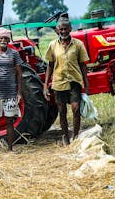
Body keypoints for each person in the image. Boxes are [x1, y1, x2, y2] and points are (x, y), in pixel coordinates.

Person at [43, 14, 89, 145]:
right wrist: (46, 84)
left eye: (65, 29)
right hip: (59, 82)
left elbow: (83, 65)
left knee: (75, 108)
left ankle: (75, 136)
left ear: (70, 29)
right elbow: (50, 65)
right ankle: (65, 137)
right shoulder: (52, 45)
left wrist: (86, 83)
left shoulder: (78, 44)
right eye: (61, 29)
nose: (63, 31)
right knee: (62, 111)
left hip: (74, 81)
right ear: (57, 30)